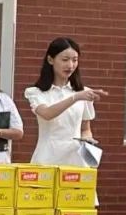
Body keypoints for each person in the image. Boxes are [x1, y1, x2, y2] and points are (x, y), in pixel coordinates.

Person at [23, 37, 107, 166]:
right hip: (47, 159)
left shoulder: (84, 92)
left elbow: (85, 128)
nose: (70, 65)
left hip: (76, 160)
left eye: (75, 60)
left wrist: (87, 139)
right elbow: (47, 113)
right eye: (65, 60)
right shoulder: (36, 92)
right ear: (50, 60)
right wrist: (75, 97)